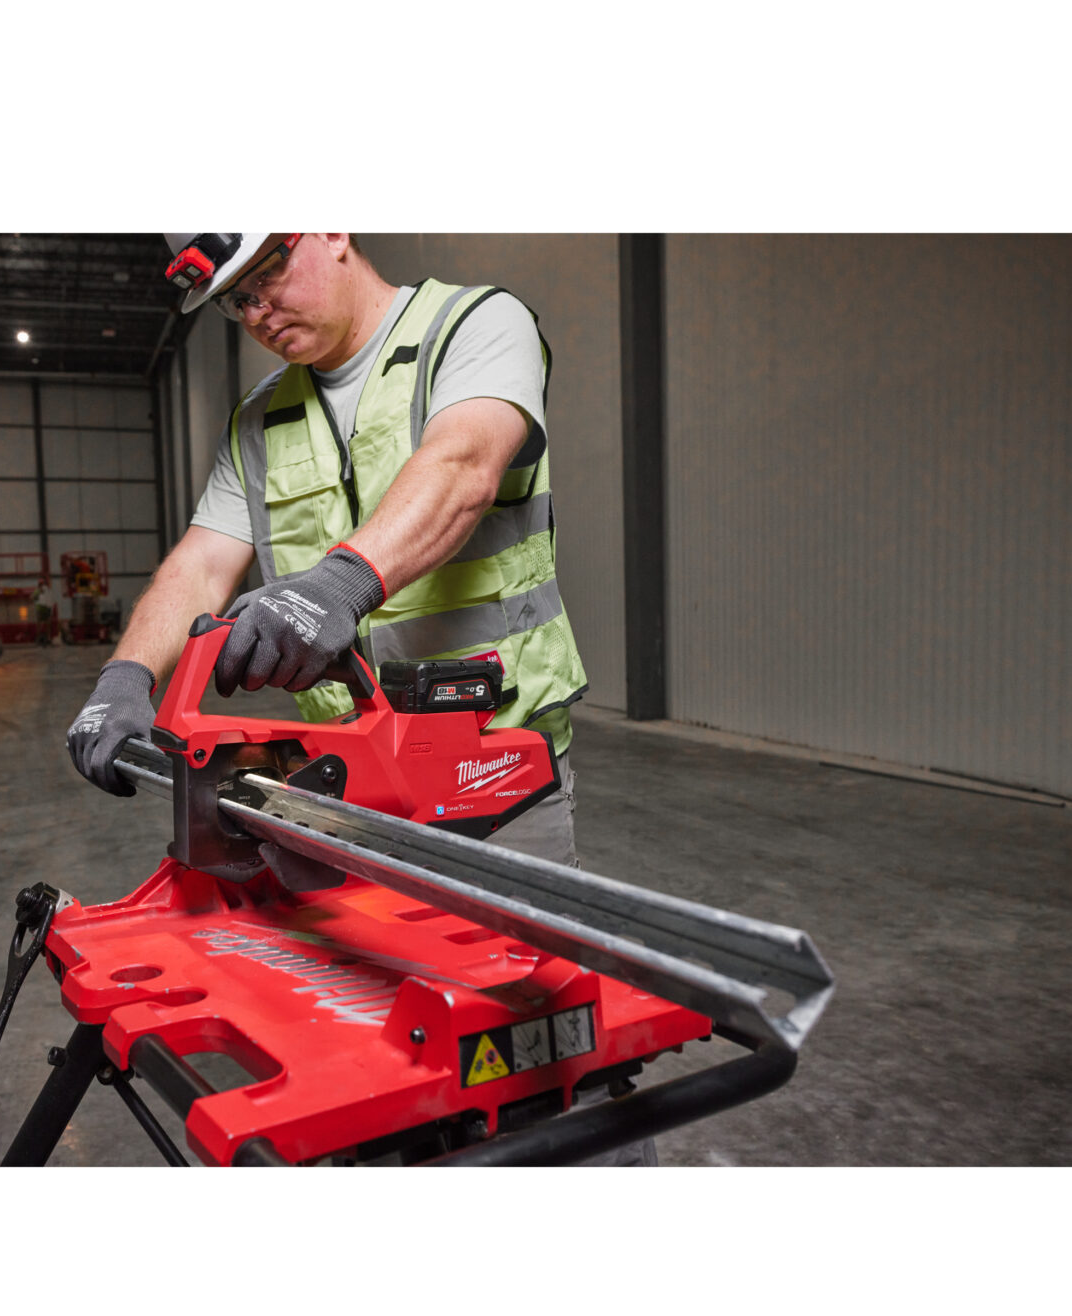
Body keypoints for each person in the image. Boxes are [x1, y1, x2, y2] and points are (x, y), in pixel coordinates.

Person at [67, 233, 651, 1164]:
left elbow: (463, 464)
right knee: (381, 1067)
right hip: (346, 801)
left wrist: (336, 584)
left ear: (331, 229)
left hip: (494, 781)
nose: (257, 310)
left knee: (542, 1067)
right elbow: (203, 563)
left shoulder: (473, 325)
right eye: (236, 301)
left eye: (268, 273)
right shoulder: (261, 420)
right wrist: (125, 678)